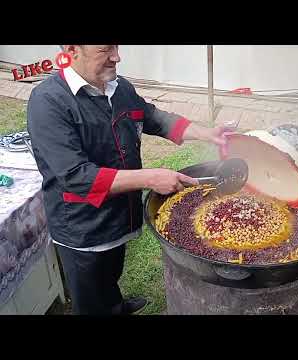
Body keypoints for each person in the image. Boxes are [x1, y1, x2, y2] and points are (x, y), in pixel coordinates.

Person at [27, 45, 229, 315]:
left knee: (111, 274)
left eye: (117, 46)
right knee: (90, 300)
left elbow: (153, 117)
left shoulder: (119, 88)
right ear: (73, 50)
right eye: (104, 49)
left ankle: (115, 306)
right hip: (83, 228)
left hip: (120, 216)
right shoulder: (47, 101)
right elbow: (75, 176)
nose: (117, 56)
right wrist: (150, 178)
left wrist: (206, 133)